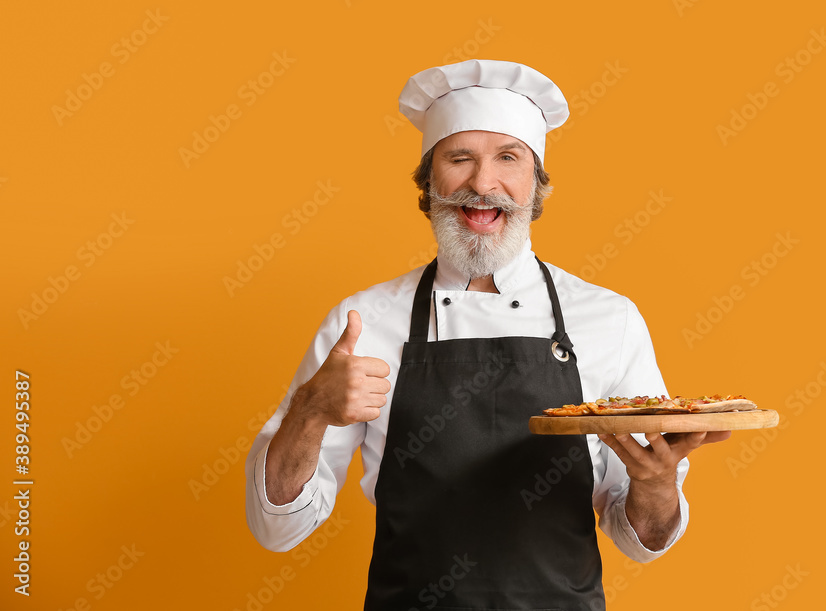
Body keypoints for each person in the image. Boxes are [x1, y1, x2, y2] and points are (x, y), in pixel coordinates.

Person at [244, 59, 730, 610]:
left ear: (535, 183)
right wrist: (310, 411)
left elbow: (640, 540)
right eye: (459, 158)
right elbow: (276, 529)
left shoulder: (608, 318)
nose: (482, 183)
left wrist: (657, 482)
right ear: (430, 181)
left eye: (508, 158)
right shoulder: (364, 322)